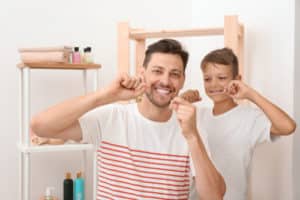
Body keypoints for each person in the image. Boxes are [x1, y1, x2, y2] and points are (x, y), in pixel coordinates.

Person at [31, 39, 226, 200]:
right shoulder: (112, 117)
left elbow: (215, 196)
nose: (165, 81)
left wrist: (192, 137)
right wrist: (105, 95)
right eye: (157, 71)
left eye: (174, 74)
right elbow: (41, 126)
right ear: (142, 74)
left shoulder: (191, 127)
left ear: (182, 80)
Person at [181, 47, 297, 200]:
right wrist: (181, 101)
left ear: (237, 79)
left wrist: (250, 94)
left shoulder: (249, 118)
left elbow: (288, 127)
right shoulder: (196, 115)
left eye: (221, 77)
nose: (213, 84)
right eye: (207, 79)